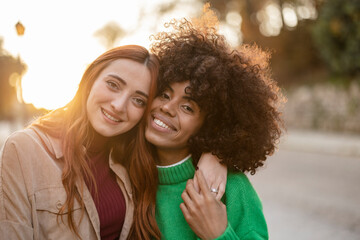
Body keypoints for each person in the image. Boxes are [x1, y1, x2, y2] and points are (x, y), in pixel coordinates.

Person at [0, 44, 225, 240]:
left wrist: (216, 153)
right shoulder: (24, 148)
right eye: (113, 85)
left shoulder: (133, 155)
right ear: (91, 79)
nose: (118, 105)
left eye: (138, 100)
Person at [145, 6, 284, 240]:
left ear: (210, 125)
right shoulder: (126, 169)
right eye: (164, 94)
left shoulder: (231, 188)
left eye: (187, 107)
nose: (167, 107)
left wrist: (218, 235)